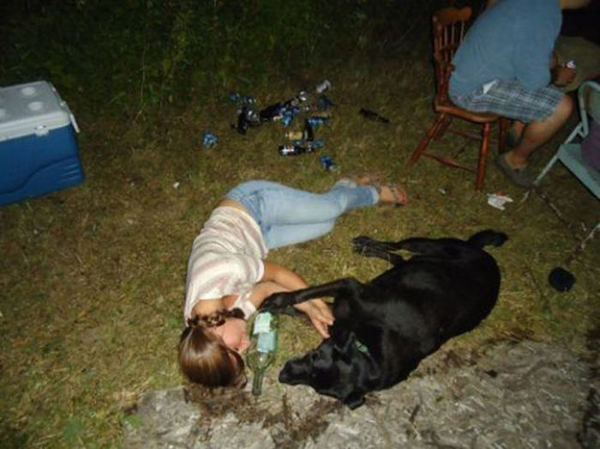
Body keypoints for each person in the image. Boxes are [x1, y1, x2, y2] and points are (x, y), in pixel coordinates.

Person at [178, 178, 408, 388]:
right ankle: (344, 187)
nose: (245, 346)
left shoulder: (221, 272)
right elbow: (266, 290)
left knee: (331, 208)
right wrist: (310, 309)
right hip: (260, 239)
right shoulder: (206, 324)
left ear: (216, 336)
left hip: (250, 206)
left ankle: (373, 192)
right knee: (326, 225)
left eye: (236, 348)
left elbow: (277, 274)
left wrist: (316, 300)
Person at [449, 0, 591, 187]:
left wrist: (552, 65)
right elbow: (534, 81)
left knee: (549, 67)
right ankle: (514, 160)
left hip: (467, 70)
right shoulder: (545, 12)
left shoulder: (537, 4)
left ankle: (518, 130)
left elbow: (530, 50)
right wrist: (557, 75)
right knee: (562, 106)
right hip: (471, 89)